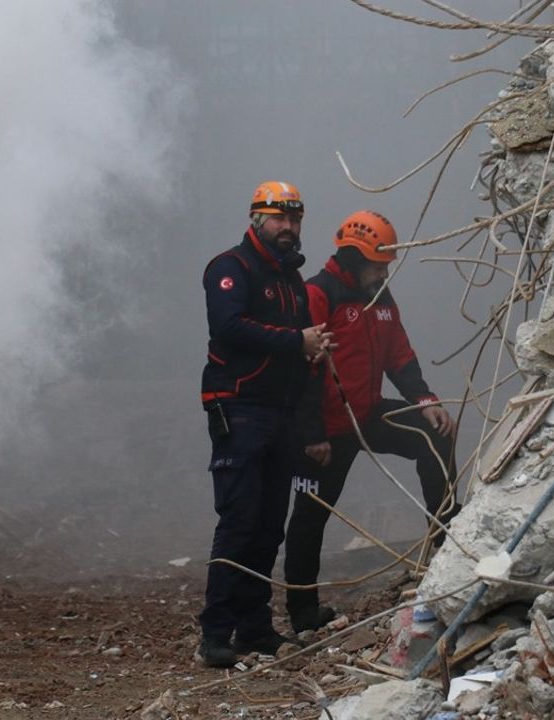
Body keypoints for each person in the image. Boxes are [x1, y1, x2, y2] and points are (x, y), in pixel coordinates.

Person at [283, 210, 459, 634]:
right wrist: (311, 434)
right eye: (380, 262)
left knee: (432, 435)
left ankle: (447, 545)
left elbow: (400, 353)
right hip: (325, 428)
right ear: (355, 258)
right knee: (310, 518)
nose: (386, 270)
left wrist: (425, 399)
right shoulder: (316, 294)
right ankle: (303, 613)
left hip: (367, 412)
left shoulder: (379, 295)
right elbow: (297, 373)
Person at [198, 181, 332, 667]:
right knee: (239, 520)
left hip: (280, 413)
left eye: (295, 219)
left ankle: (254, 627)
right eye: (279, 218)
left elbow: (296, 347)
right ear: (257, 218)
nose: (288, 228)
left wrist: (310, 350)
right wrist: (297, 340)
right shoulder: (230, 268)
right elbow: (228, 327)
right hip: (238, 407)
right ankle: (215, 634)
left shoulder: (291, 278)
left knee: (270, 524)